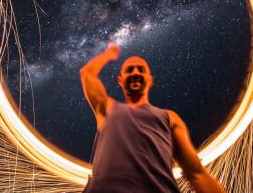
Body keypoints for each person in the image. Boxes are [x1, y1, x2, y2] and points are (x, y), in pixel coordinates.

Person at [79, 42, 225, 193]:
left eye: (141, 70)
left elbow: (196, 173)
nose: (135, 73)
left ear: (150, 80)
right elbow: (87, 74)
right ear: (120, 80)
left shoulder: (170, 118)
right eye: (129, 70)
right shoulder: (107, 108)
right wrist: (108, 54)